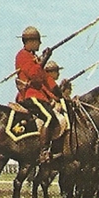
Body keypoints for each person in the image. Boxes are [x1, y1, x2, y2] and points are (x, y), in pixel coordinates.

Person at [14, 26, 63, 162]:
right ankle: (43, 152)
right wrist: (44, 60)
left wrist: (59, 94)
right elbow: (34, 75)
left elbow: (46, 79)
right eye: (38, 41)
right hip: (29, 96)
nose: (40, 44)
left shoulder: (34, 57)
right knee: (49, 117)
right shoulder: (22, 55)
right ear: (30, 41)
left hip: (39, 96)